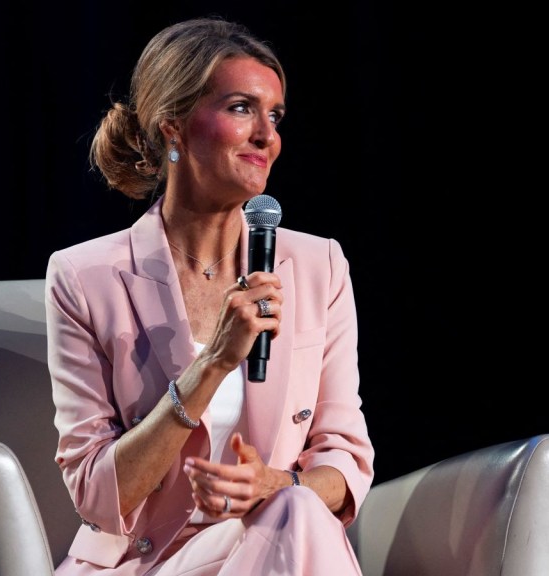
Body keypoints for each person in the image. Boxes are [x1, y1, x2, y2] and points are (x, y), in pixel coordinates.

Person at [44, 16, 375, 576]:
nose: (267, 136)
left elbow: (343, 458)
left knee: (294, 510)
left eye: (275, 115)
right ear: (173, 124)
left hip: (275, 548)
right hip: (145, 564)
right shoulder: (85, 277)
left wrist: (276, 485)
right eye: (242, 108)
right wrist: (214, 364)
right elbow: (98, 494)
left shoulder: (318, 267)